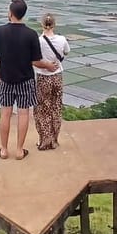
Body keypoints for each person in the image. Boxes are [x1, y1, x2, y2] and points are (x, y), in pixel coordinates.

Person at [0, 0, 57, 160]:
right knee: (23, 114)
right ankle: (19, 150)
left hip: (5, 79)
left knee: (5, 114)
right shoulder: (31, 34)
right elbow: (36, 61)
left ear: (10, 13)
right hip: (25, 80)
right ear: (23, 14)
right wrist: (49, 66)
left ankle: (3, 150)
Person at [34, 13, 70, 151]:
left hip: (43, 77)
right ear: (54, 25)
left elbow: (35, 58)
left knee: (43, 109)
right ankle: (54, 140)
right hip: (58, 76)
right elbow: (66, 52)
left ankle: (44, 140)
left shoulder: (38, 40)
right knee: (56, 108)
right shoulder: (62, 39)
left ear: (42, 25)